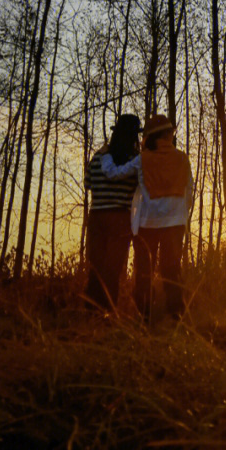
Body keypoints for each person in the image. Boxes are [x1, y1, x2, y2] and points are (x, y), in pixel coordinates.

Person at [102, 114, 192, 322]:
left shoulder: (142, 159)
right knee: (172, 269)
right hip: (176, 222)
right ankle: (175, 315)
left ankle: (145, 316)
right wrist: (181, 216)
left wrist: (106, 155)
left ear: (149, 137)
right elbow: (189, 190)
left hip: (147, 223)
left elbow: (114, 173)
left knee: (144, 271)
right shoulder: (182, 158)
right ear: (168, 135)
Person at [82, 113, 141, 311]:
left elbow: (88, 183)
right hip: (121, 217)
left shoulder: (99, 157)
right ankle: (107, 312)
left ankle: (90, 311)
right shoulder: (134, 160)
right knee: (112, 269)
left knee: (96, 267)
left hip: (97, 216)